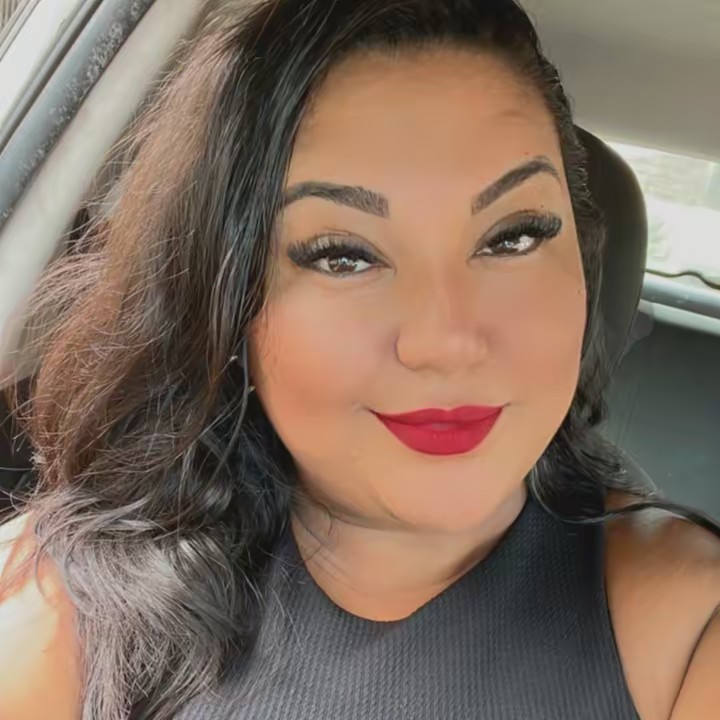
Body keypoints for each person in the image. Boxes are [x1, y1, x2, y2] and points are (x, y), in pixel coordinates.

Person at [0, 1, 718, 718]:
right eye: (343, 256)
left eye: (513, 237)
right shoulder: (61, 606)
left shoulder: (688, 627)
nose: (445, 342)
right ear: (232, 298)